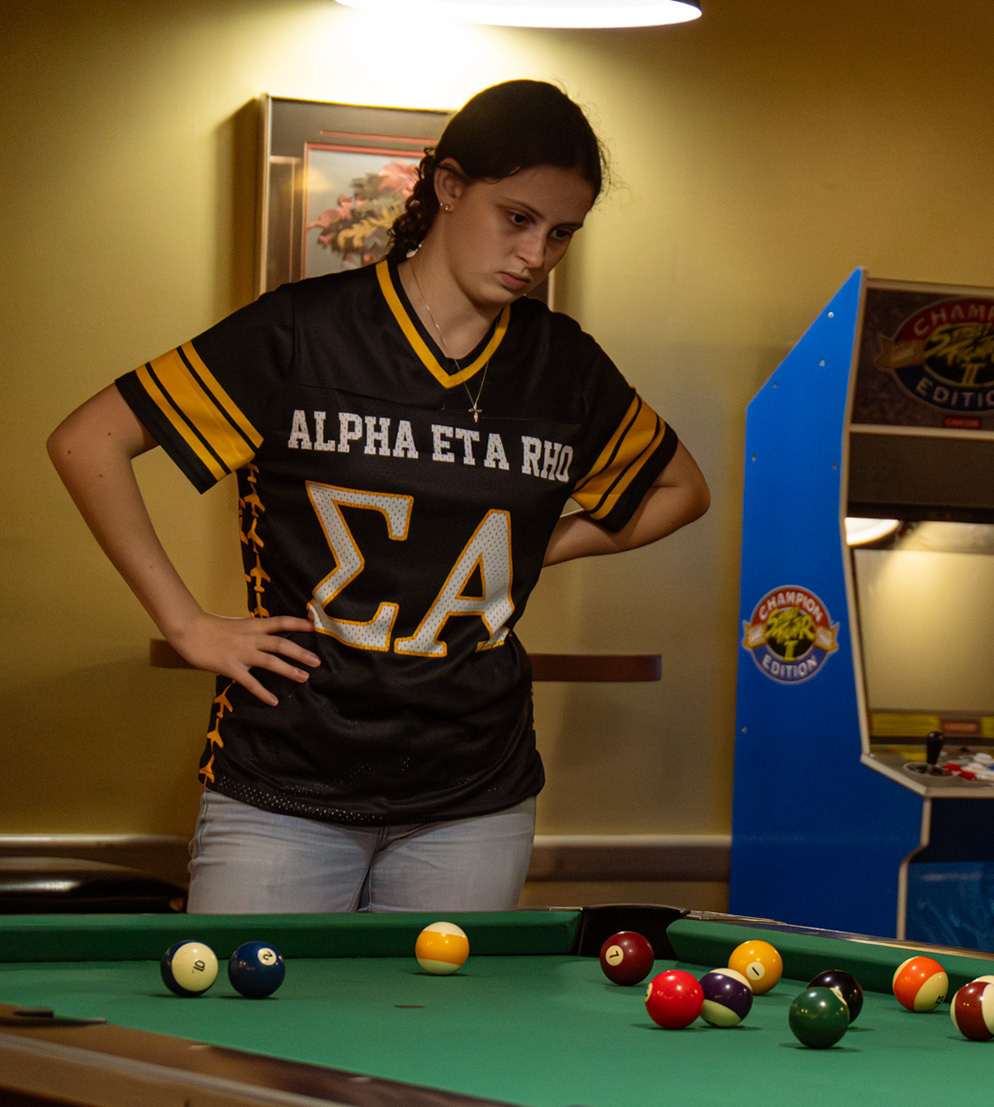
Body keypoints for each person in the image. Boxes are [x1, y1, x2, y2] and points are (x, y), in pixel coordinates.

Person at [46, 81, 709, 913]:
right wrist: (186, 624)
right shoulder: (301, 333)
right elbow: (87, 440)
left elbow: (683, 489)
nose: (537, 254)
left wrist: (549, 541)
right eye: (518, 217)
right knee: (241, 1040)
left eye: (561, 233)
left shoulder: (563, 366)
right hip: (284, 787)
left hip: (476, 797)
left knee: (429, 1040)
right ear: (450, 186)